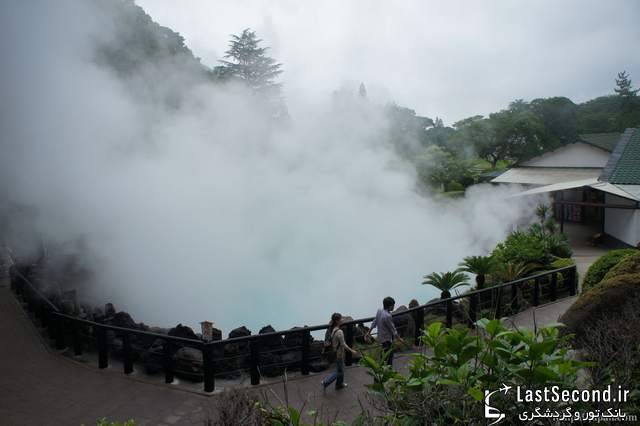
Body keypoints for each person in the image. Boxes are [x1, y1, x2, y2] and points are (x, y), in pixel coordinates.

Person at [321, 313, 357, 391]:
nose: (342, 320)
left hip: (335, 352)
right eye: (341, 319)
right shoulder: (339, 332)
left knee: (340, 369)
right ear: (337, 321)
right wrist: (352, 351)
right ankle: (326, 382)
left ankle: (339, 384)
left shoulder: (333, 329)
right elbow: (343, 344)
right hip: (339, 354)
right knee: (339, 372)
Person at [366, 296, 404, 367]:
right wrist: (400, 339)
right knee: (388, 359)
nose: (393, 307)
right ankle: (385, 375)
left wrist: (368, 332)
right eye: (393, 305)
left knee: (383, 357)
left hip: (381, 339)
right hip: (387, 341)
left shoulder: (379, 311)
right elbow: (393, 330)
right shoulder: (387, 316)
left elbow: (375, 322)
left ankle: (380, 375)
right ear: (390, 306)